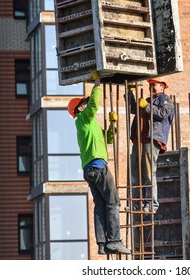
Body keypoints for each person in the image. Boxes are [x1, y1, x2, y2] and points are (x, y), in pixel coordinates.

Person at [67, 71, 131, 255]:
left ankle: (102, 244)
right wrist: (97, 83)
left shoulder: (89, 124)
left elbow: (107, 139)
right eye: (83, 104)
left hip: (90, 168)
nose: (86, 105)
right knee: (113, 202)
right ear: (79, 109)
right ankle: (115, 240)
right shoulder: (83, 120)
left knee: (101, 205)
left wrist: (112, 126)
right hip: (98, 166)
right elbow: (94, 104)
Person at [127, 78, 175, 213]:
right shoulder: (148, 101)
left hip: (151, 139)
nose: (151, 87)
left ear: (162, 87)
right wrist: (130, 92)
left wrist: (146, 107)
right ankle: (136, 203)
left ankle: (151, 203)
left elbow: (163, 114)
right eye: (150, 85)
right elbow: (133, 109)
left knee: (148, 172)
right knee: (136, 172)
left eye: (154, 85)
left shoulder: (165, 99)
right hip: (139, 140)